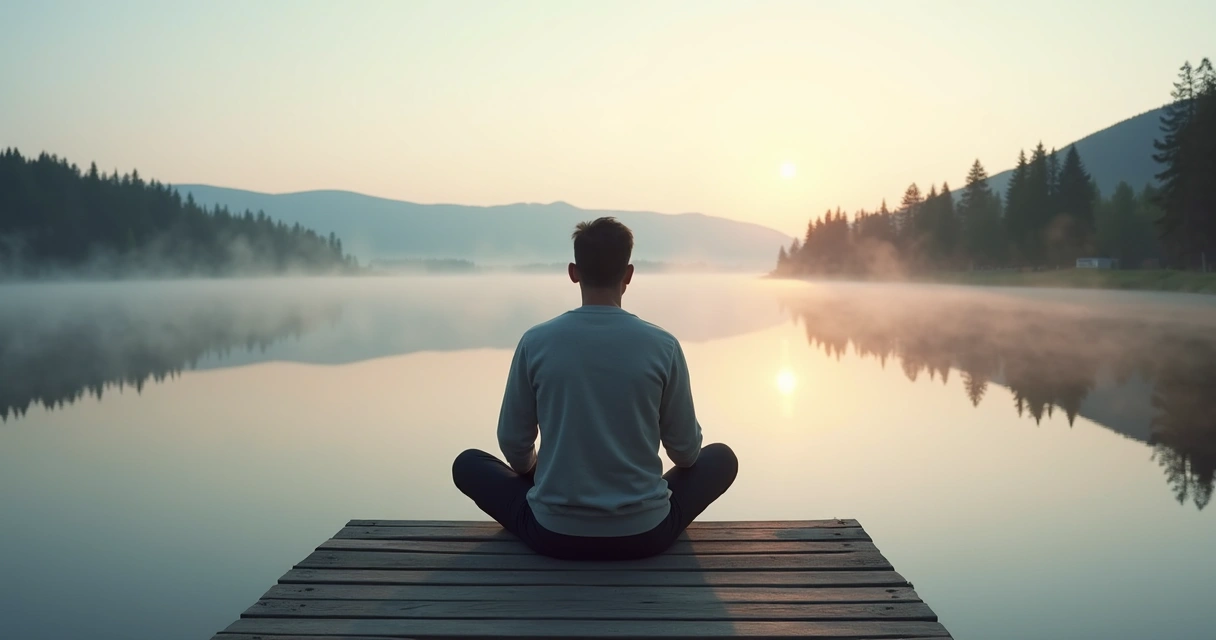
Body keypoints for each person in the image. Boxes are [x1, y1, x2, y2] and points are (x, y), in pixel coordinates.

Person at [452, 216, 738, 560]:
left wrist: (538, 474)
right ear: (628, 275)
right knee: (721, 459)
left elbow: (514, 445)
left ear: (574, 272)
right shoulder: (663, 345)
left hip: (552, 534)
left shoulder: (536, 342)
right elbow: (686, 454)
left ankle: (559, 498)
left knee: (468, 464)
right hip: (646, 534)